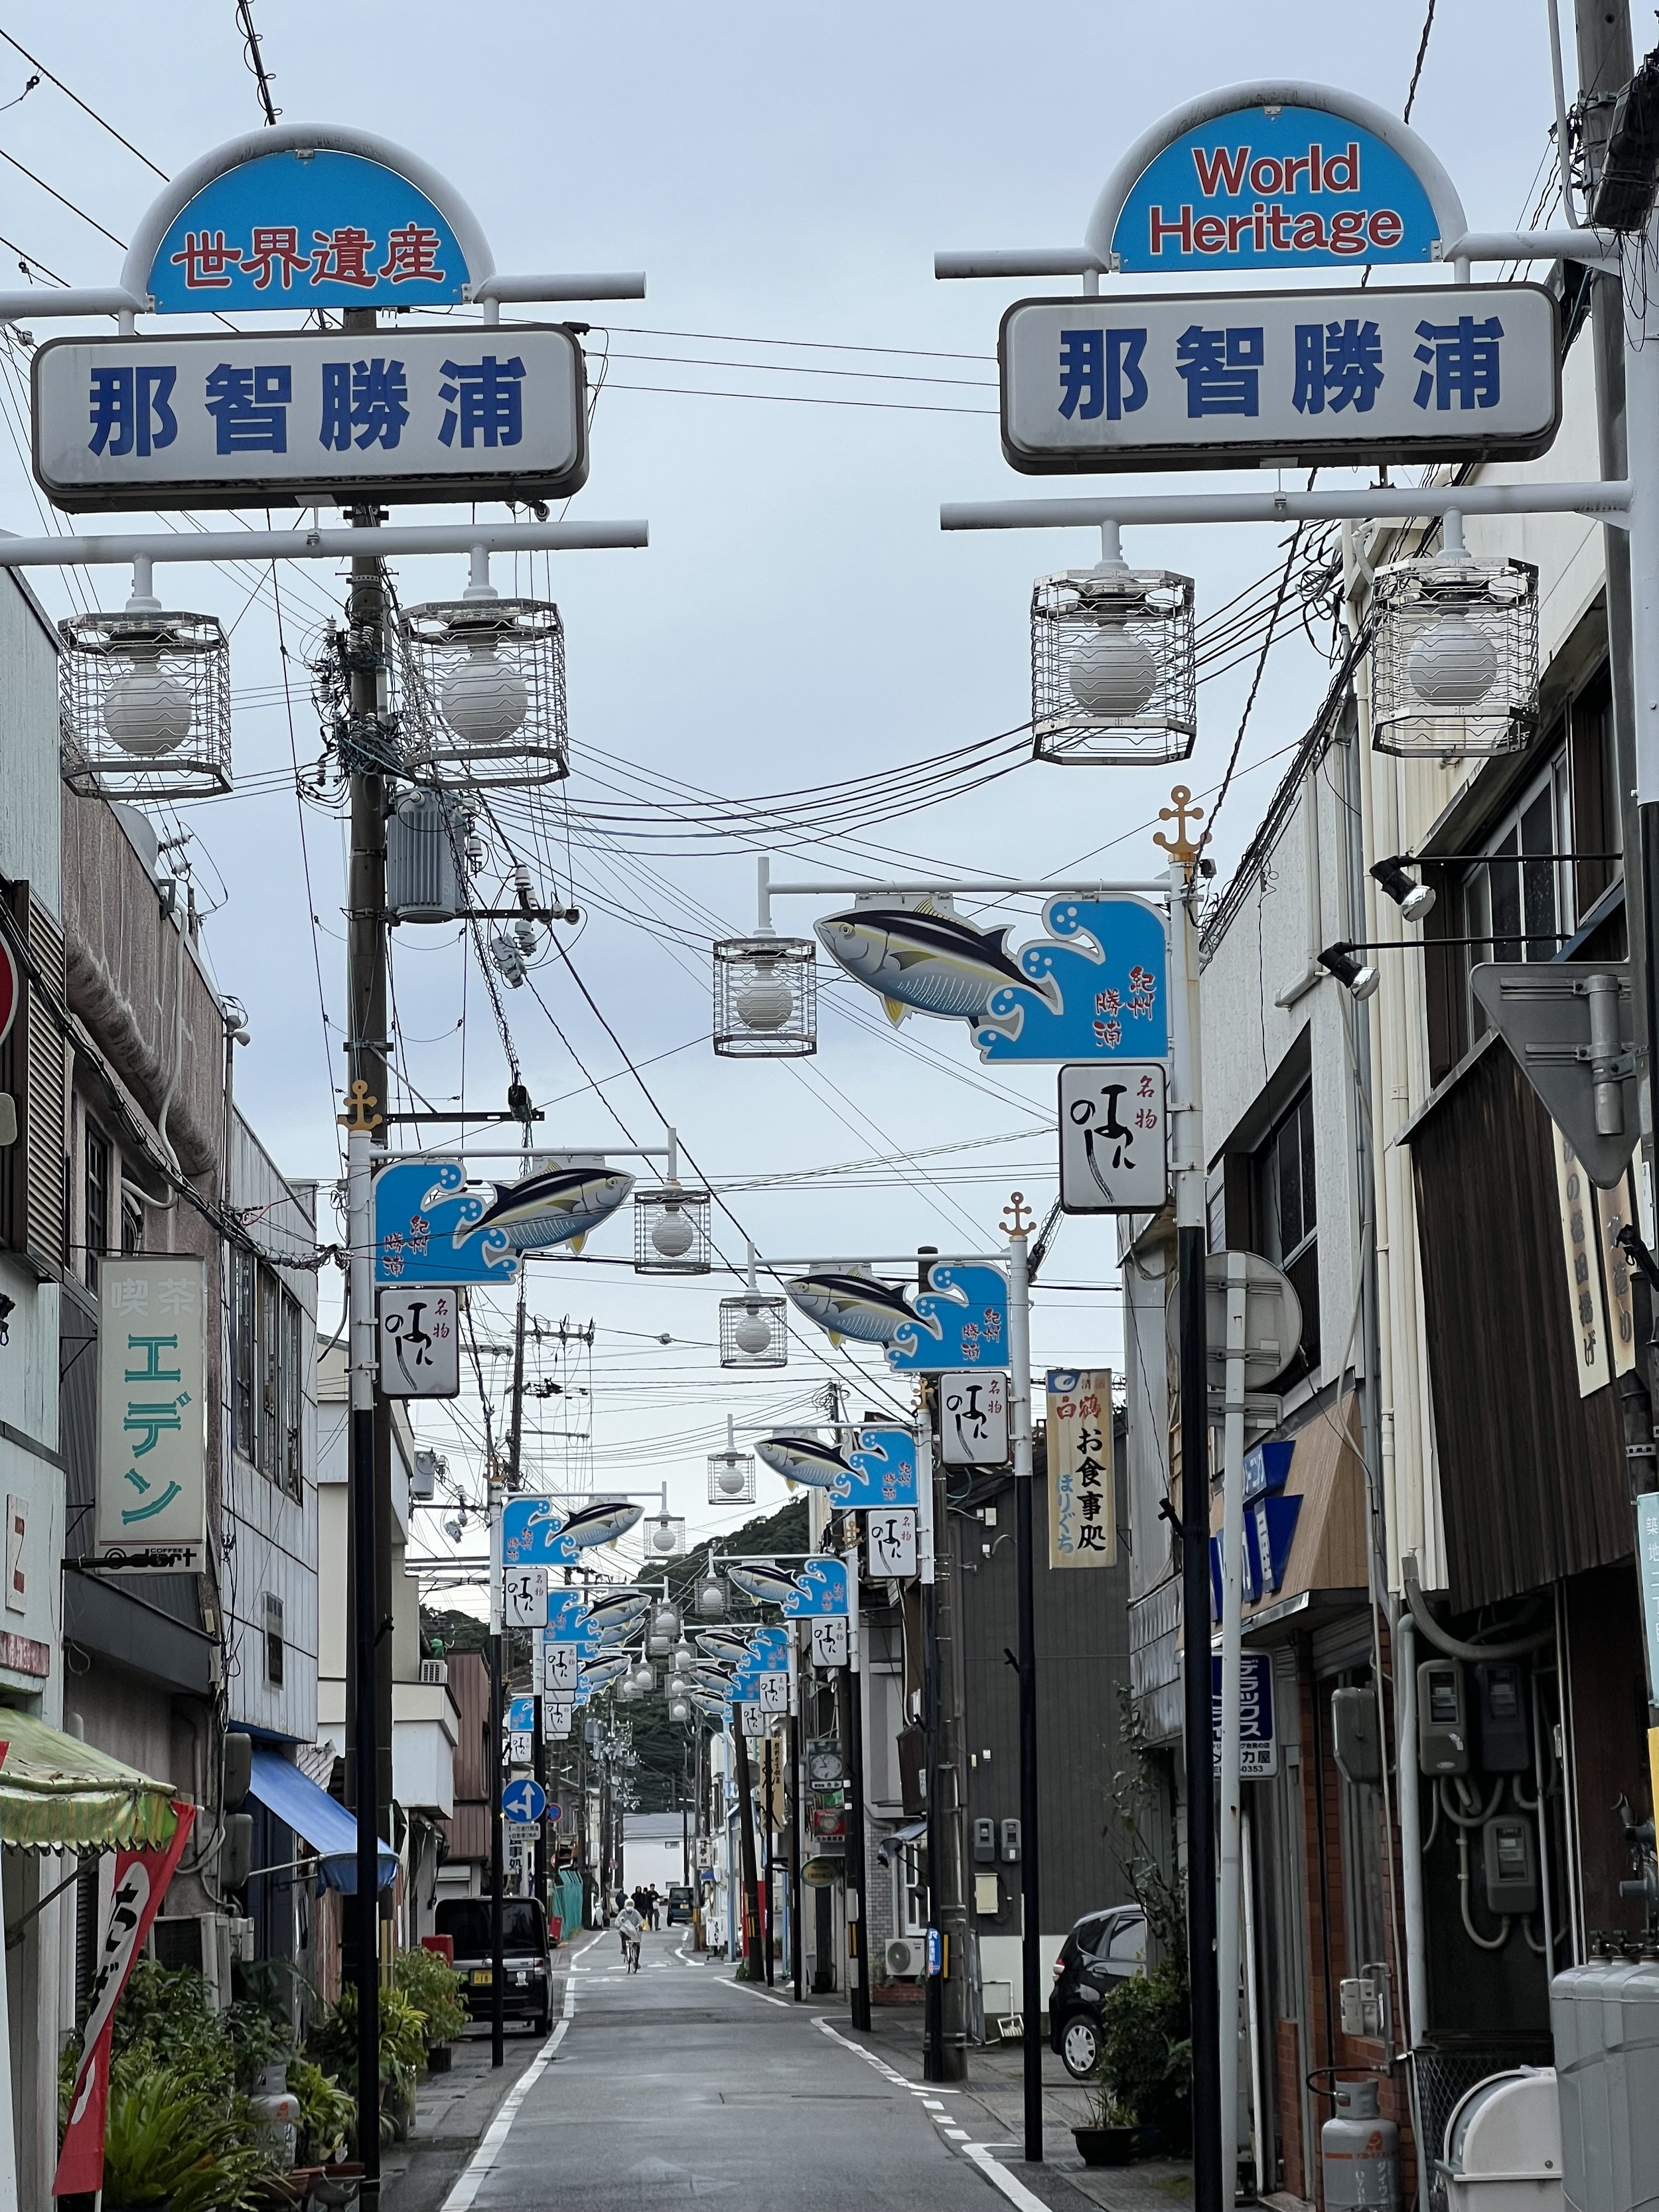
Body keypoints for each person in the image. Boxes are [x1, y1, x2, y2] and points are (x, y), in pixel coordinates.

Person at [615, 1897, 644, 1972]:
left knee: (637, 1945)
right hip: (625, 1931)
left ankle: (636, 1961)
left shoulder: (635, 1912)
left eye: (631, 1904)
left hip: (634, 1931)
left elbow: (641, 1920)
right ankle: (624, 1948)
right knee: (623, 1934)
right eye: (628, 1904)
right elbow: (618, 1921)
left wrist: (640, 1926)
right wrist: (618, 1925)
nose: (630, 1906)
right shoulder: (623, 1912)